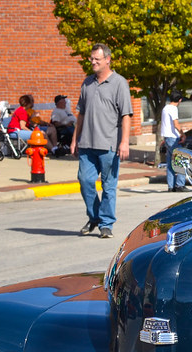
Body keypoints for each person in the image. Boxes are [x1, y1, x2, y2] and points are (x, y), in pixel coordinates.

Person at [71, 43, 133, 239]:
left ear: (108, 59)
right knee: (85, 181)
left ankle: (106, 224)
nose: (93, 62)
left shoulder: (119, 83)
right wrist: (74, 140)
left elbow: (126, 115)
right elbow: (80, 115)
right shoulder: (87, 83)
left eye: (97, 59)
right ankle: (95, 217)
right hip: (87, 144)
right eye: (91, 59)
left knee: (108, 186)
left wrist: (124, 142)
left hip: (109, 145)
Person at [160, 91, 189, 192]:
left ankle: (171, 185)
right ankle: (180, 185)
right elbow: (176, 124)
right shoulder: (173, 108)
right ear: (180, 100)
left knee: (170, 163)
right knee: (181, 161)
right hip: (173, 138)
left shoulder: (165, 108)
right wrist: (183, 134)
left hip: (167, 137)